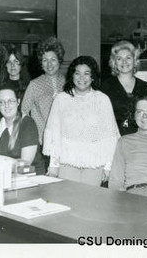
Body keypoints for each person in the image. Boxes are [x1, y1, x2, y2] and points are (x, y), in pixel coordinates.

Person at [43, 56, 120, 186]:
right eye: (77, 73)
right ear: (72, 76)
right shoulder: (61, 99)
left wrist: (108, 166)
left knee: (90, 203)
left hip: (95, 164)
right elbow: (54, 133)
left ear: (92, 77)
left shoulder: (102, 100)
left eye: (86, 74)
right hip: (66, 162)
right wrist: (53, 165)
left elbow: (110, 137)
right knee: (68, 202)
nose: (81, 78)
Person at [0, 85, 45, 175]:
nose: (6, 106)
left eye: (10, 101)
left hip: (32, 178)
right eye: (2, 102)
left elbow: (25, 164)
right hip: (6, 175)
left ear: (18, 102)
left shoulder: (27, 123)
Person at [101, 40, 147, 135]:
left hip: (140, 139)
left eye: (128, 58)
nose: (124, 62)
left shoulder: (144, 86)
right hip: (113, 139)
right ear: (114, 62)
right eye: (119, 58)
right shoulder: (105, 86)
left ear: (135, 60)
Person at [21, 36, 66, 146]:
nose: (49, 64)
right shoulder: (34, 85)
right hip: (42, 142)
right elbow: (24, 112)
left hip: (65, 140)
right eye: (45, 60)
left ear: (59, 61)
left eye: (53, 60)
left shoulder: (68, 82)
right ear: (41, 63)